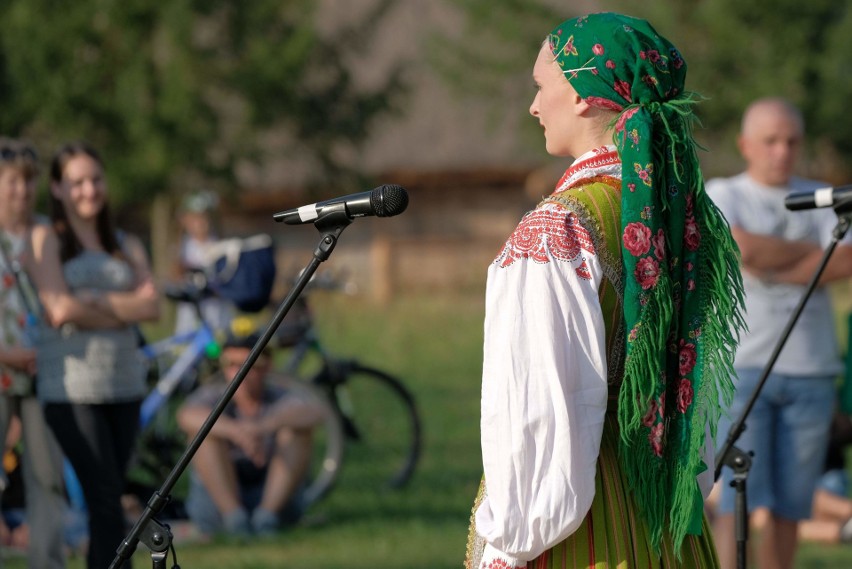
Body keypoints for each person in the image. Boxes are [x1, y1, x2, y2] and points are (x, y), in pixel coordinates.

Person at [464, 12, 745, 569]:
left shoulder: (557, 228)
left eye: (543, 87)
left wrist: (512, 539)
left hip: (583, 521)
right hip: (664, 503)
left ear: (586, 96)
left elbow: (541, 405)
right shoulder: (683, 213)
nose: (534, 107)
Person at [706, 98, 852, 569]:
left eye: (791, 141)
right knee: (736, 497)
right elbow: (740, 245)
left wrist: (773, 264)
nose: (782, 151)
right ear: (745, 145)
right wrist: (812, 254)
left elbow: (845, 260)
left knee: (793, 503)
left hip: (811, 370)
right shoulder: (725, 193)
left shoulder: (826, 195)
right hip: (746, 367)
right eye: (770, 140)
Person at [26, 142, 160, 569]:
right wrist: (122, 306)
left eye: (95, 179)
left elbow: (153, 307)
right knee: (104, 500)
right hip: (71, 391)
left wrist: (92, 303)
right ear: (58, 189)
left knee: (110, 497)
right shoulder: (46, 239)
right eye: (77, 182)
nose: (89, 190)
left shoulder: (127, 244)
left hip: (124, 384)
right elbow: (59, 309)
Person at [176, 319, 327, 538]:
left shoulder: (279, 394)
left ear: (267, 366)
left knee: (297, 430)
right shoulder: (213, 394)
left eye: (250, 366)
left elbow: (314, 412)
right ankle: (235, 520)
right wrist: (236, 431)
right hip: (216, 506)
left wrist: (262, 427)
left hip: (274, 499)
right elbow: (185, 415)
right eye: (232, 365)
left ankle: (266, 517)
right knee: (203, 435)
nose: (240, 374)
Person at [0, 137, 67, 569]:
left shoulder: (47, 234)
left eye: (27, 181)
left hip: (45, 371)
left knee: (47, 476)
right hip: (1, 369)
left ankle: (48, 561)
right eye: (11, 181)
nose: (21, 191)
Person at [172, 190, 233, 335]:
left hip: (217, 311)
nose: (200, 222)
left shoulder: (219, 244)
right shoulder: (183, 247)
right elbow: (175, 276)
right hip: (191, 312)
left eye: (204, 217)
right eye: (195, 218)